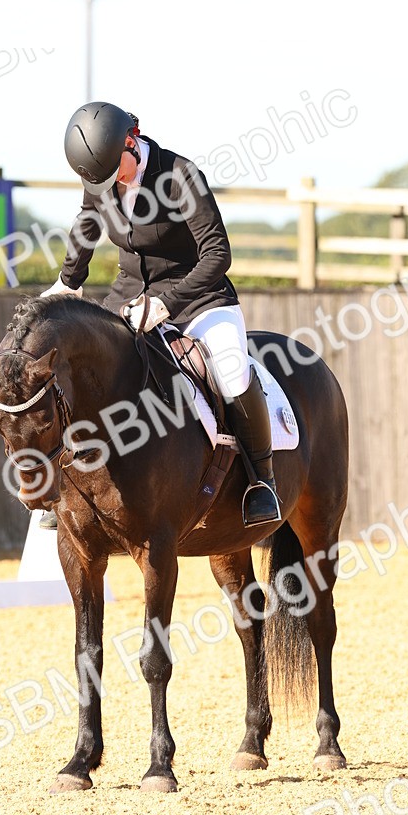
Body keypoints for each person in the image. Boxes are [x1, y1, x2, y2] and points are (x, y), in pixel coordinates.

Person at [41, 100, 282, 528]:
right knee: (90, 368)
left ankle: (261, 481)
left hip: (199, 295)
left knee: (231, 371)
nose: (111, 185)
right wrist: (67, 283)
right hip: (130, 293)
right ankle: (70, 483)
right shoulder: (101, 172)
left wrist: (168, 304)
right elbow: (87, 222)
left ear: (131, 143)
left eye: (119, 173)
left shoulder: (180, 176)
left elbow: (218, 254)